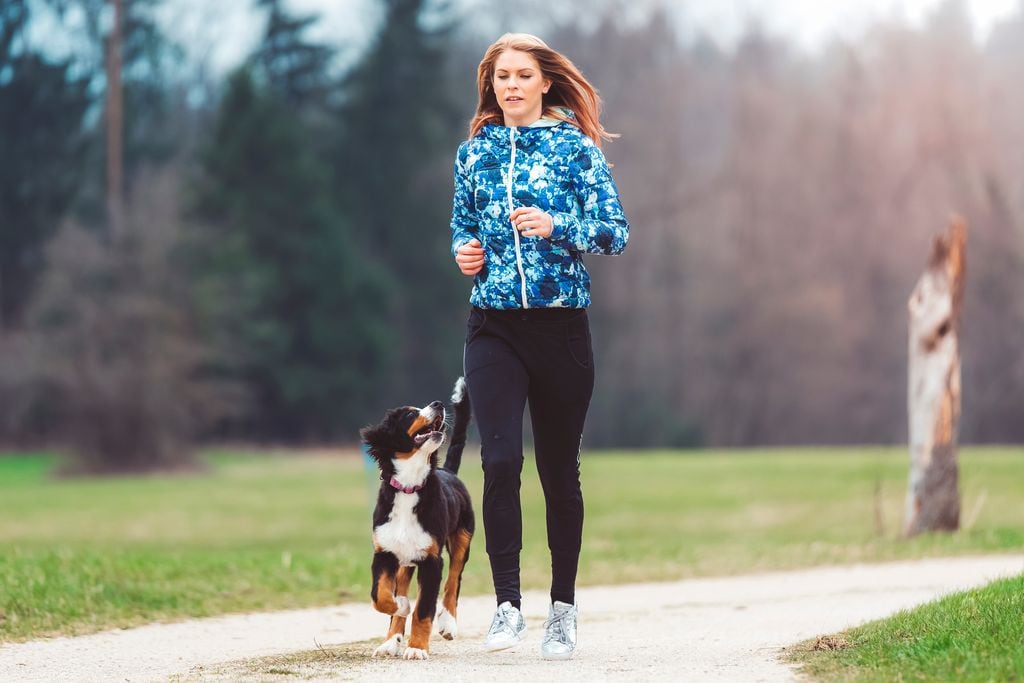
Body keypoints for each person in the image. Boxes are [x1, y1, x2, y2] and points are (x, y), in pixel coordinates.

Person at [450, 32, 629, 660]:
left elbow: (615, 233)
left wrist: (559, 227)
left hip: (561, 329)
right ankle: (505, 607)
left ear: (545, 82)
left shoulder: (575, 151)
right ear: (491, 85)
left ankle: (562, 610)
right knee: (499, 462)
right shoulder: (473, 154)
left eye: (524, 75)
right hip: (493, 326)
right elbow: (462, 231)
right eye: (502, 77)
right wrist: (464, 254)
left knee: (558, 472)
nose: (512, 86)